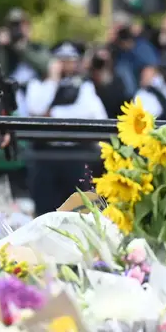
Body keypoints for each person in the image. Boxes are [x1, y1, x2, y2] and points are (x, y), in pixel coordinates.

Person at [24, 42, 108, 213]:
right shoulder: (38, 84)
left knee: (80, 211)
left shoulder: (84, 85)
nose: (66, 64)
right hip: (45, 155)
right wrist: (52, 80)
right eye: (61, 60)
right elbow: (36, 109)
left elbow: (93, 114)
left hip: (76, 155)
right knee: (45, 212)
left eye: (70, 60)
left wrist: (52, 112)